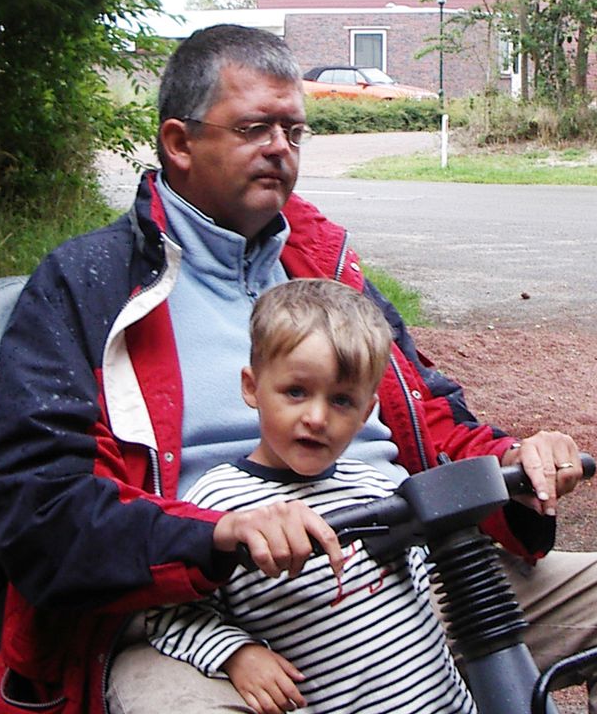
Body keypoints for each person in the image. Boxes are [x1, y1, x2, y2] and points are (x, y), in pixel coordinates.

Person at [0, 23, 597, 714]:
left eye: (293, 130)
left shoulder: (322, 265)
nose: (280, 148)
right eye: (255, 127)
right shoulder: (88, 285)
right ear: (178, 143)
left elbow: (428, 419)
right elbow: (39, 511)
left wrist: (512, 461)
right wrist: (223, 533)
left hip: (404, 579)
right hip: (207, 616)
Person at [145, 279, 476, 714]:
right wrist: (237, 655)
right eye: (296, 392)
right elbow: (166, 615)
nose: (316, 418)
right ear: (251, 386)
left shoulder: (377, 488)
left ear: (366, 413)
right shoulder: (216, 502)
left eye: (341, 400)